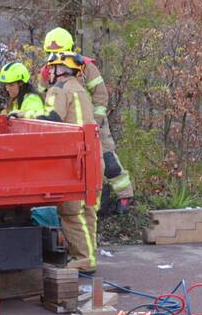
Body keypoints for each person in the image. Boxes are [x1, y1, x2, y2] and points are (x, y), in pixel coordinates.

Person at [42, 27, 134, 213]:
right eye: (51, 53)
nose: (55, 57)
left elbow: (100, 95)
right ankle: (87, 202)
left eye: (58, 53)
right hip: (67, 126)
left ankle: (126, 197)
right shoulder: (46, 72)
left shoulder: (85, 66)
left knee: (107, 159)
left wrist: (96, 121)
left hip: (93, 122)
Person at [40, 53, 100, 273]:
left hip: (76, 158)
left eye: (52, 67)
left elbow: (52, 119)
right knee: (88, 210)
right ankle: (90, 255)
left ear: (61, 70)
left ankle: (84, 259)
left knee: (72, 211)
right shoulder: (80, 89)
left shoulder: (60, 90)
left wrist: (22, 116)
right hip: (91, 154)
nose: (49, 72)